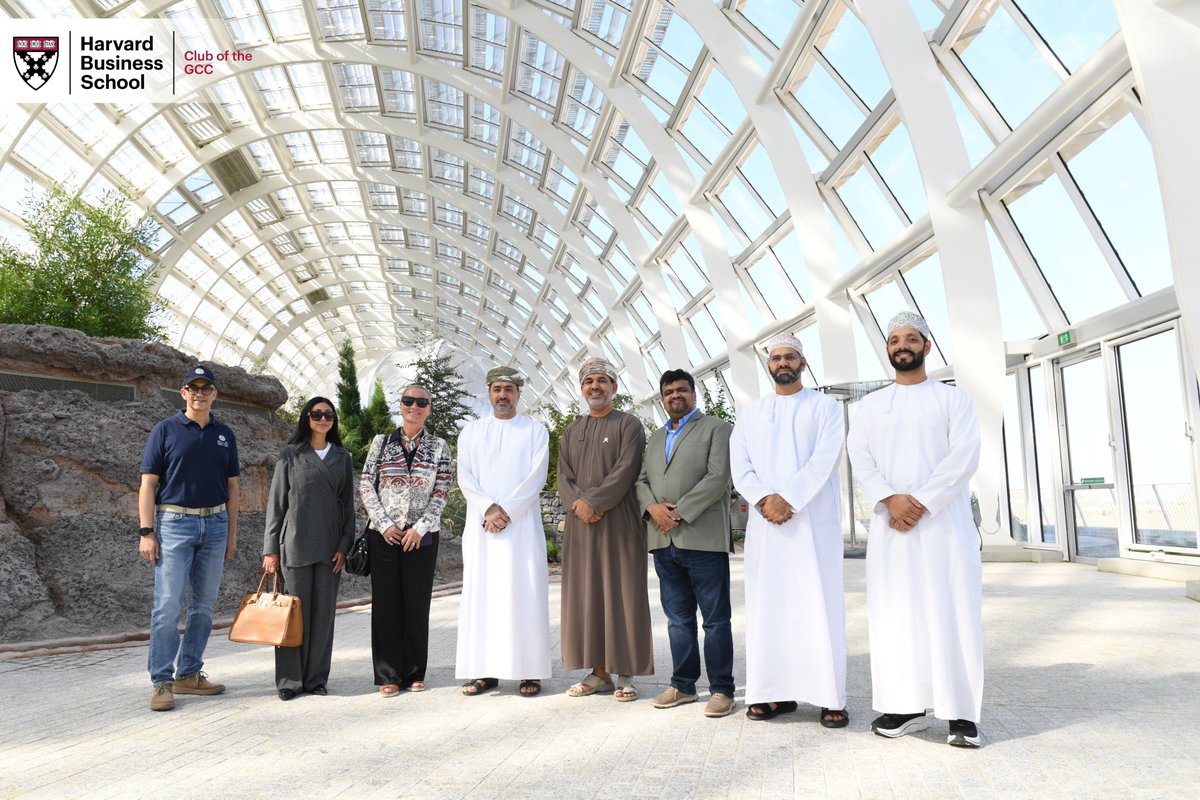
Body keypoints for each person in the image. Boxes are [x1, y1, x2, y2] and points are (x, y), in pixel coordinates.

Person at [847, 311, 984, 748]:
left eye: (911, 339)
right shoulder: (868, 407)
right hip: (893, 529)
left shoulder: (953, 400)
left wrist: (920, 501)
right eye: (893, 340)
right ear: (887, 349)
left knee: (953, 611)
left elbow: (964, 456)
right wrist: (890, 499)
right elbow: (861, 459)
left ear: (927, 346)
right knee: (896, 615)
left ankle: (961, 715)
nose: (901, 346)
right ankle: (904, 705)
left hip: (943, 527)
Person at [729, 334, 848, 726]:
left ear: (803, 363)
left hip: (812, 524)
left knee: (820, 605)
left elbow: (824, 459)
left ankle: (829, 696)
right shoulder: (751, 414)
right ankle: (771, 693)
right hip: (768, 527)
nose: (783, 363)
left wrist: (789, 499)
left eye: (790, 357)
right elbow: (740, 465)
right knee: (769, 609)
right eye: (776, 358)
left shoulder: (826, 407)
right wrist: (765, 499)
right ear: (769, 366)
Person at [635, 369, 736, 718]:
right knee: (677, 620)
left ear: (694, 393)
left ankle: (722, 689)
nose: (675, 396)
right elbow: (642, 480)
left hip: (702, 539)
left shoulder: (718, 429)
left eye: (681, 390)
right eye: (668, 393)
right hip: (663, 541)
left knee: (715, 620)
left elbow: (718, 477)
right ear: (662, 398)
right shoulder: (656, 436)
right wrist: (652, 508)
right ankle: (683, 685)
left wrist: (678, 513)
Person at [138, 365, 239, 712]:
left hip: (215, 524)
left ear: (215, 393)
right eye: (192, 388)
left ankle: (190, 673)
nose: (199, 393)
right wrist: (147, 531)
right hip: (173, 524)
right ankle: (162, 682)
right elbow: (148, 484)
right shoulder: (165, 430)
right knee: (167, 605)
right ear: (183, 393)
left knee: (204, 606)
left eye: (206, 388)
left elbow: (233, 488)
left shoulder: (225, 434)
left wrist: (231, 534)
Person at [558, 357, 653, 701]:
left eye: (602, 380)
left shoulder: (629, 425)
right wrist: (579, 504)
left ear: (614, 387)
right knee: (588, 597)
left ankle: (625, 673)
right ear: (582, 389)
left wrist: (594, 503)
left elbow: (626, 469)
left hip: (619, 524)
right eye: (588, 382)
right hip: (581, 528)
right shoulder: (572, 430)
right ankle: (599, 673)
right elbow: (563, 477)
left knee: (623, 594)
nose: (595, 386)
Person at [455, 367, 551, 697]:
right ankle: (485, 672)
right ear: (489, 392)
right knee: (484, 597)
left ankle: (529, 671)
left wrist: (505, 510)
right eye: (497, 389)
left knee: (525, 594)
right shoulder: (471, 432)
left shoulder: (535, 431)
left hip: (520, 528)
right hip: (482, 530)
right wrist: (488, 509)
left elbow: (536, 477)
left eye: (509, 389)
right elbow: (464, 477)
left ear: (518, 393)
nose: (502, 395)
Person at [360, 385, 452, 697]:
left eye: (421, 402)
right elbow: (366, 485)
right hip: (383, 535)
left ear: (428, 408)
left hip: (422, 537)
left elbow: (442, 491)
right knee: (386, 604)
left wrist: (421, 528)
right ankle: (387, 674)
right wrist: (384, 524)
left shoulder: (439, 446)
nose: (415, 406)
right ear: (400, 406)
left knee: (416, 603)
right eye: (408, 401)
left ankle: (414, 671)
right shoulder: (380, 443)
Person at [262, 397, 355, 701]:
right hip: (295, 546)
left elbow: (348, 507)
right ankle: (289, 681)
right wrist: (271, 551)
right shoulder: (290, 455)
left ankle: (316, 679)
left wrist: (345, 545)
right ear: (307, 418)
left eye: (328, 414)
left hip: (330, 549)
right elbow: (276, 507)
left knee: (323, 617)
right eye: (317, 414)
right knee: (292, 616)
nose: (323, 419)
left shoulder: (342, 457)